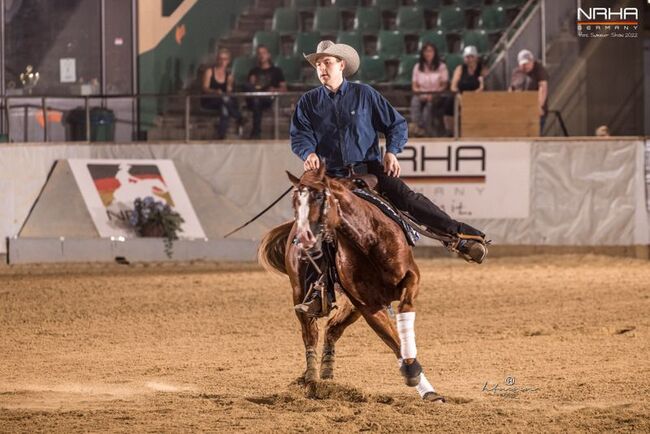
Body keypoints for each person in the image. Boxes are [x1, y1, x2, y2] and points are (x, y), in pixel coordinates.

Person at [290, 41, 488, 316]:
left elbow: (396, 124)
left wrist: (392, 152)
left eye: (327, 62)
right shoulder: (308, 102)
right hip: (331, 177)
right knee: (312, 227)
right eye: (318, 64)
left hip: (369, 169)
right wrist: (307, 151)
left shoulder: (365, 94)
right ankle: (318, 292)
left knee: (408, 198)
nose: (322, 68)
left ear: (341, 65)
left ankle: (460, 238)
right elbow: (300, 135)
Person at [244, 45, 287, 139]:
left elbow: (284, 89)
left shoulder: (276, 71)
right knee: (252, 94)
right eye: (259, 53)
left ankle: (256, 132)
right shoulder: (253, 71)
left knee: (256, 101)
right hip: (255, 97)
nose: (261, 55)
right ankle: (256, 132)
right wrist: (252, 83)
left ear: (268, 55)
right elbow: (250, 87)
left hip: (268, 98)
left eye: (263, 53)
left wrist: (274, 90)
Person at [200, 48, 244, 140]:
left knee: (224, 107)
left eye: (225, 59)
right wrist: (214, 92)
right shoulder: (209, 71)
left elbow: (229, 92)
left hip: (223, 101)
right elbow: (205, 88)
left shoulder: (229, 75)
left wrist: (229, 86)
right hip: (210, 99)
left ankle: (221, 134)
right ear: (217, 59)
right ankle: (239, 117)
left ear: (228, 61)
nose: (222, 61)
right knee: (224, 100)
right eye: (220, 59)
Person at [443, 45, 486, 135]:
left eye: (472, 57)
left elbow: (482, 86)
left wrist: (473, 95)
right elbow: (453, 86)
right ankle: (451, 131)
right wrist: (459, 95)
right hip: (460, 96)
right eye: (467, 57)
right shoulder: (460, 69)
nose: (470, 59)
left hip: (476, 96)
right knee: (449, 102)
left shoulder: (482, 69)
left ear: (476, 58)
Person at [410, 42, 449, 137]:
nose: (428, 53)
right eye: (426, 51)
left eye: (430, 51)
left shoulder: (441, 67)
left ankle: (423, 129)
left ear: (434, 53)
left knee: (429, 107)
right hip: (421, 94)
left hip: (436, 95)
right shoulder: (417, 67)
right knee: (415, 101)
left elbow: (444, 85)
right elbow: (414, 86)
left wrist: (433, 95)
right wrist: (420, 94)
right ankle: (417, 125)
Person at [509, 49, 549, 134]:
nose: (525, 66)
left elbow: (543, 87)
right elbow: (511, 89)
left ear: (532, 61)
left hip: (535, 111)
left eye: (527, 63)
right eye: (523, 64)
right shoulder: (516, 73)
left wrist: (539, 106)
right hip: (520, 111)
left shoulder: (539, 69)